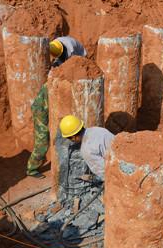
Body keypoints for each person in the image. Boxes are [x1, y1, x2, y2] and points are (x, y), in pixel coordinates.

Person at [25, 37, 87, 178]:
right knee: (43, 140)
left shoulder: (66, 47)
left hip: (46, 106)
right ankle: (31, 169)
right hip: (41, 109)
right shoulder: (57, 74)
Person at [59, 115, 114, 182]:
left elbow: (105, 175)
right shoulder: (98, 129)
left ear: (73, 137)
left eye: (69, 138)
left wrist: (92, 178)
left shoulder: (86, 150)